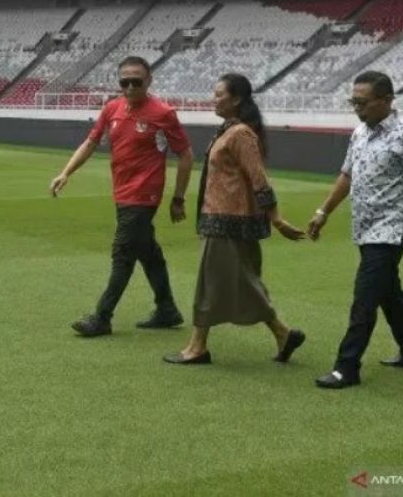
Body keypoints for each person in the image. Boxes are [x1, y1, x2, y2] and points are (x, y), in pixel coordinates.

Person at [310, 71, 403, 390]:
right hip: (363, 227)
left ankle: (346, 366)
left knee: (365, 297)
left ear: (387, 101)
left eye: (361, 102)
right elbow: (347, 176)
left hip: (389, 231)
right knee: (388, 292)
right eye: (353, 101)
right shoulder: (359, 133)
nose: (356, 108)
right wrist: (323, 212)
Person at [163, 74, 306, 365]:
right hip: (225, 218)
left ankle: (198, 347)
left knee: (213, 282)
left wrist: (276, 219)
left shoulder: (240, 134)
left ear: (237, 98)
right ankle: (281, 332)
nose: (213, 99)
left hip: (228, 220)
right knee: (239, 281)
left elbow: (259, 178)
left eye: (218, 94)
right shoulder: (230, 131)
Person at [50, 56, 194, 336]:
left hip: (145, 195)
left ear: (149, 80)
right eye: (124, 81)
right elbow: (91, 142)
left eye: (136, 81)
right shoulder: (112, 108)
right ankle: (167, 309)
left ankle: (102, 317)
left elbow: (186, 155)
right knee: (148, 252)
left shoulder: (163, 113)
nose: (129, 87)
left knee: (123, 252)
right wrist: (66, 172)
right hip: (122, 193)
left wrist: (178, 198)